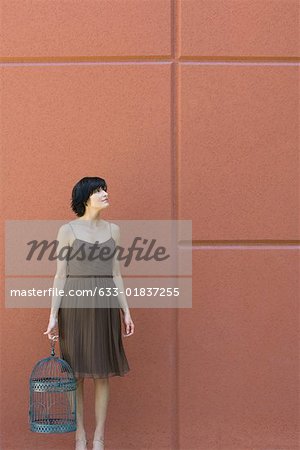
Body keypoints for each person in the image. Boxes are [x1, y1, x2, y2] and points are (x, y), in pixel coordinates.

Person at [43, 176, 134, 450]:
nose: (105, 193)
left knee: (102, 373)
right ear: (85, 198)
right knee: (76, 374)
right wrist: (52, 316)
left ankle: (99, 439)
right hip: (74, 308)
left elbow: (116, 274)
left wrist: (126, 312)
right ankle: (79, 436)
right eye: (98, 190)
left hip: (105, 307)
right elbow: (60, 276)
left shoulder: (114, 230)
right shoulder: (67, 231)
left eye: (105, 188)